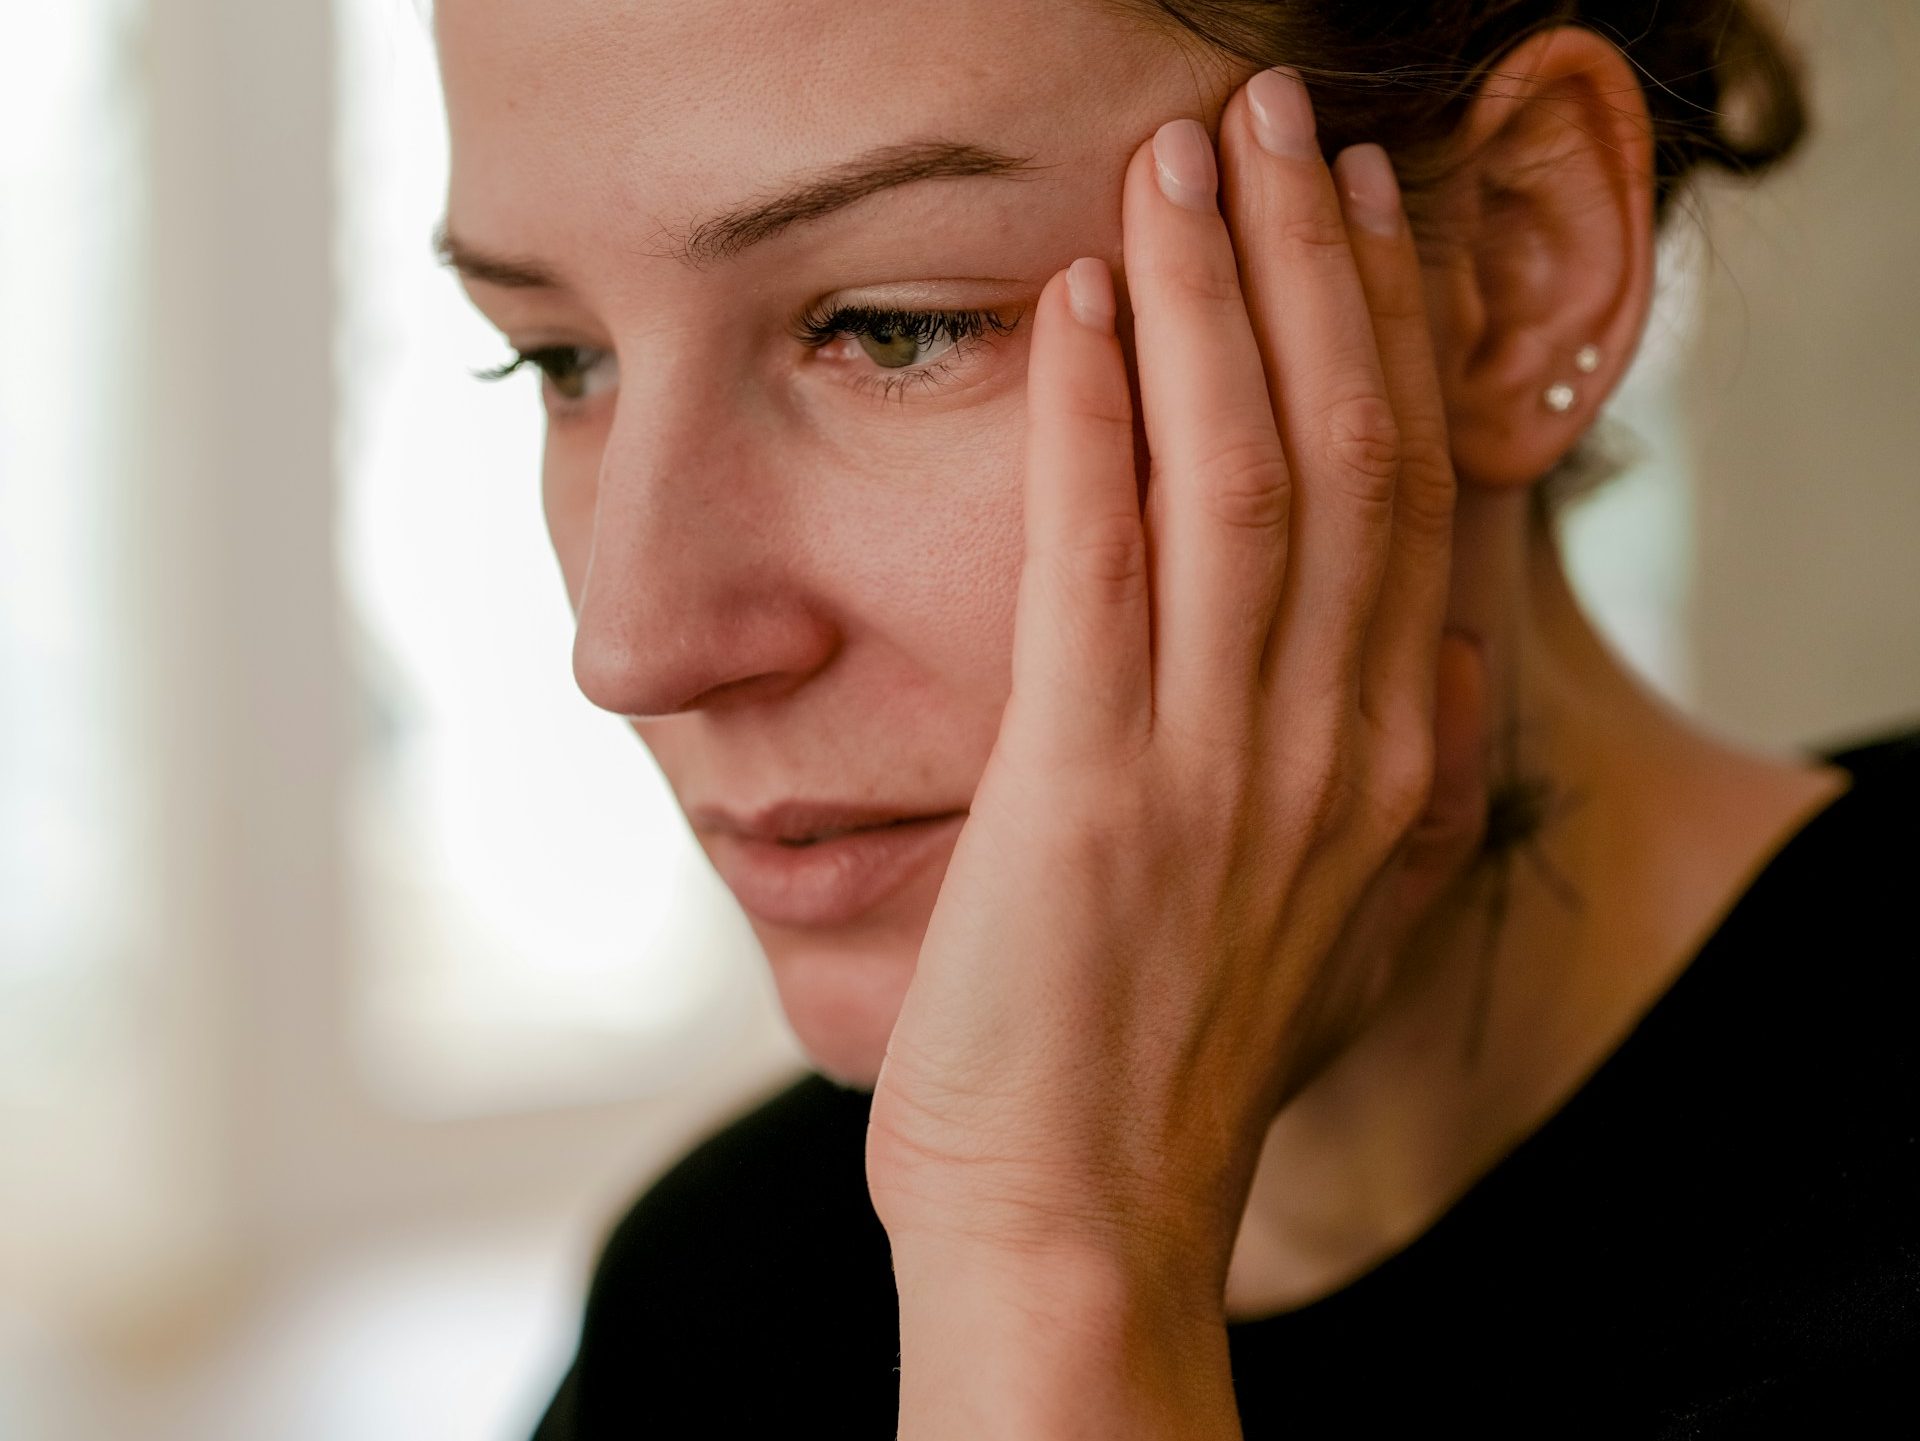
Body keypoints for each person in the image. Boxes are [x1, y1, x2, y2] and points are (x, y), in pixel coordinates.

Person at [431, 0, 1917, 1434]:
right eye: (562, 358)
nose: (634, 642)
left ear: (1517, 265)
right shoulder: (718, 1304)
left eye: (894, 327)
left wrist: (1055, 1275)